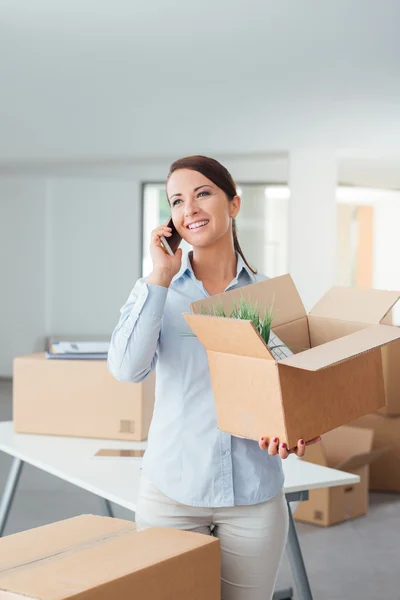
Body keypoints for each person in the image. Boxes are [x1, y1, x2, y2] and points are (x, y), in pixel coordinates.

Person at [108, 155, 320, 600]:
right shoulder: (155, 290)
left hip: (253, 497)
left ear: (234, 204)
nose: (191, 209)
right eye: (177, 201)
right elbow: (127, 370)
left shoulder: (269, 296)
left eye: (203, 193)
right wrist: (160, 278)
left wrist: (298, 430)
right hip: (171, 494)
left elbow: (293, 393)